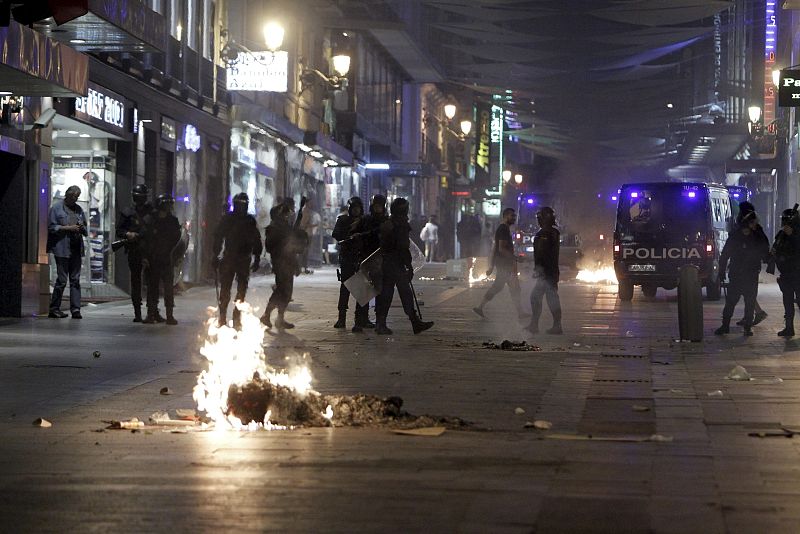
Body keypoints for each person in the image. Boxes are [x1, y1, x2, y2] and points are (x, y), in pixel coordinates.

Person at [375, 197, 434, 335]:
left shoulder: (389, 222)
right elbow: (403, 246)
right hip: (396, 263)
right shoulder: (400, 224)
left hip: (389, 262)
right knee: (403, 293)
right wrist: (408, 265)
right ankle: (412, 322)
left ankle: (383, 323)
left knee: (389, 293)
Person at [715, 211, 770, 336]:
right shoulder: (736, 236)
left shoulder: (756, 236)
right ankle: (726, 325)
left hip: (750, 274)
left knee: (749, 302)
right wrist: (722, 271)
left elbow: (765, 250)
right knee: (731, 302)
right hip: (737, 274)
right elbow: (725, 254)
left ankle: (747, 327)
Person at [212, 192, 263, 329]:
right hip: (230, 257)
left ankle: (236, 316)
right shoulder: (228, 219)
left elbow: (256, 239)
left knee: (240, 289)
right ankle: (223, 316)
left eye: (243, 205)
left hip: (243, 259)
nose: (241, 208)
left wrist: (257, 256)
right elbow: (218, 237)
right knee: (226, 289)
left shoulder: (249, 221)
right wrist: (215, 255)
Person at [473, 208, 525, 319]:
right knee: (510, 287)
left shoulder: (504, 229)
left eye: (514, 216)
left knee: (505, 287)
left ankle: (480, 307)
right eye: (512, 216)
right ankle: (480, 307)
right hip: (504, 264)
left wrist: (491, 266)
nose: (514, 218)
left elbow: (494, 248)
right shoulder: (503, 229)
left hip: (503, 263)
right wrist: (515, 258)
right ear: (506, 216)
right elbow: (501, 249)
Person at [261, 202, 305, 329]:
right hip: (280, 263)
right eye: (284, 214)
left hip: (289, 262)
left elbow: (294, 233)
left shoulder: (285, 227)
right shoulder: (273, 228)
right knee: (281, 290)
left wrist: (300, 211)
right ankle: (266, 315)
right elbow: (270, 247)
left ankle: (280, 318)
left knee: (287, 292)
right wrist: (282, 245)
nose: (286, 216)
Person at [332, 196, 373, 332]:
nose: (356, 211)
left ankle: (361, 320)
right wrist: (349, 234)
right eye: (354, 208)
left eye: (358, 208)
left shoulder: (365, 221)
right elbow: (336, 234)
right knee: (345, 289)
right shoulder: (343, 220)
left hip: (361, 258)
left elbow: (372, 235)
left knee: (362, 289)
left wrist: (361, 235)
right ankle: (341, 318)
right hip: (347, 257)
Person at [47, 185, 88, 319]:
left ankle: (76, 309)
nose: (75, 199)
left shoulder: (79, 209)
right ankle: (54, 308)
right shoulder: (56, 208)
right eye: (73, 196)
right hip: (62, 249)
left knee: (75, 280)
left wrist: (81, 228)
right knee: (62, 280)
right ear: (67, 195)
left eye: (77, 197)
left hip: (76, 249)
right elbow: (52, 227)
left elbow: (85, 229)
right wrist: (68, 228)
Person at [116, 184, 153, 322]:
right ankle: (137, 312)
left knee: (152, 282)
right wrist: (128, 234)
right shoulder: (127, 212)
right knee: (136, 282)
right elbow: (119, 231)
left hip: (150, 250)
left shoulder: (151, 212)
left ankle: (152, 311)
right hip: (135, 249)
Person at [142, 194, 182, 325]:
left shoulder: (173, 221)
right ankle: (151, 313)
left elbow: (177, 240)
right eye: (166, 204)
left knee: (168, 288)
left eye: (170, 204)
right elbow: (144, 239)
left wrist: (175, 256)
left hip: (166, 258)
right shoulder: (150, 220)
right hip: (152, 258)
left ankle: (169, 314)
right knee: (152, 287)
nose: (168, 207)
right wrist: (145, 256)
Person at [526, 206, 563, 335]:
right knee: (544, 297)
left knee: (544, 298)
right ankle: (536, 325)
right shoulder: (553, 232)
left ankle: (551, 326)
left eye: (540, 218)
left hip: (547, 273)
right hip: (550, 272)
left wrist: (539, 269)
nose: (538, 220)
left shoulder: (545, 234)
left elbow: (542, 253)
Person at [735, 201, 768, 326]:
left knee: (748, 291)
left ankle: (756, 313)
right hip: (743, 265)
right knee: (746, 291)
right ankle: (751, 314)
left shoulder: (756, 228)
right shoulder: (744, 226)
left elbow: (763, 244)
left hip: (751, 266)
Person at [770, 207, 800, 337]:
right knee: (787, 303)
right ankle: (789, 328)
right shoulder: (781, 235)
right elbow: (775, 248)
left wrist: (792, 236)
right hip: (786, 275)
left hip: (798, 274)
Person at [299, 198, 321, 273]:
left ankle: (304, 267)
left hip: (307, 233)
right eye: (311, 203)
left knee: (306, 251)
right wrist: (313, 225)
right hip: (306, 233)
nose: (312, 204)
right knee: (304, 251)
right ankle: (302, 267)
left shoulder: (307, 211)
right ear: (307, 203)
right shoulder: (305, 211)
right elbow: (303, 224)